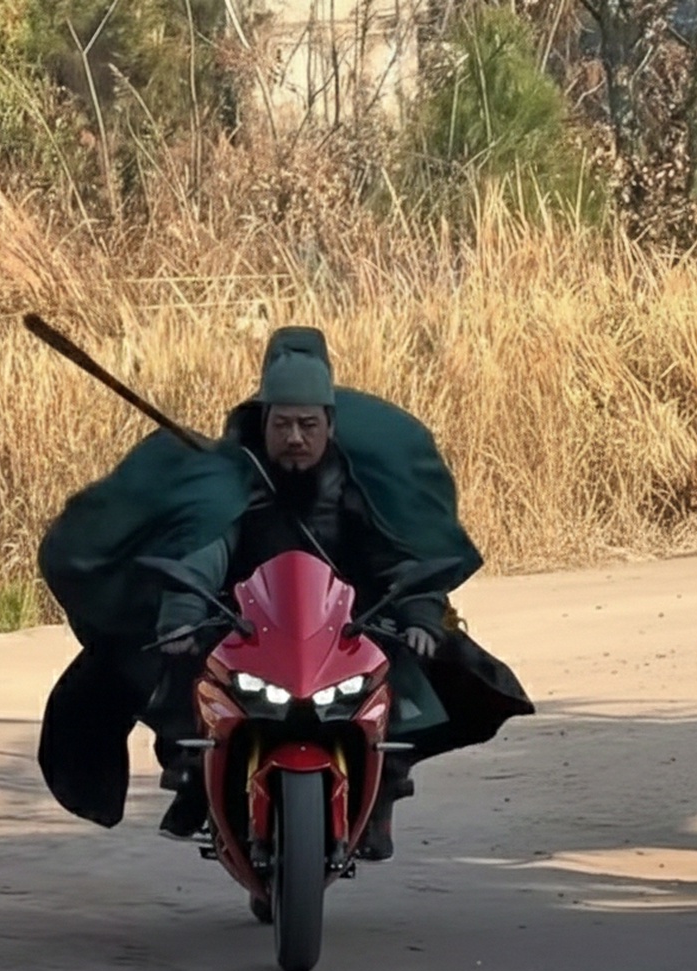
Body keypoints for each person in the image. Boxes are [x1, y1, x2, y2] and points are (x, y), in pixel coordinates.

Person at [36, 326, 533, 860]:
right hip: (245, 625)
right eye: (283, 424)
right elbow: (207, 548)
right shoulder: (232, 482)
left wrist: (419, 612)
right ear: (264, 421)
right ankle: (195, 777)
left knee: (412, 676)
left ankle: (380, 790)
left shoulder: (357, 486)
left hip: (343, 627)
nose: (295, 437)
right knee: (171, 674)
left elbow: (393, 555)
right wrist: (182, 610)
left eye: (308, 425)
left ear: (329, 426)